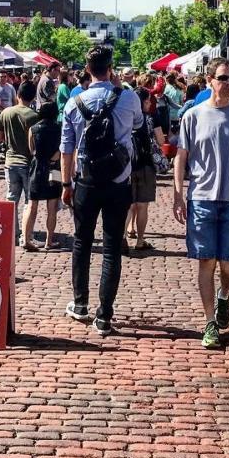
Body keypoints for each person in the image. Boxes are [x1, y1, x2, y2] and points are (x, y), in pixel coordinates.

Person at [172, 58, 229, 349]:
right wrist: (177, 193)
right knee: (206, 260)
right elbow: (181, 157)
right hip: (202, 197)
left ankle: (224, 296)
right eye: (224, 78)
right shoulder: (193, 116)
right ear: (210, 80)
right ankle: (210, 322)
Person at [61, 45, 142, 336]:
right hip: (118, 181)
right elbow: (138, 123)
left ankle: (80, 304)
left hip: (85, 181)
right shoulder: (128, 97)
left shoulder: (74, 102)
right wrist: (119, 88)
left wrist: (65, 184)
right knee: (111, 249)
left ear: (86, 69)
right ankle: (104, 315)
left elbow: (66, 149)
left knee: (82, 243)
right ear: (111, 69)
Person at [0, 81, 42, 248]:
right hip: (28, 163)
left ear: (18, 95)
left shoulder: (6, 112)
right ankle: (26, 235)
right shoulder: (34, 116)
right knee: (30, 201)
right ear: (33, 96)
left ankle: (12, 234)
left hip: (10, 161)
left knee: (11, 199)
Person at [127, 86, 166, 253]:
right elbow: (161, 140)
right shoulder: (151, 118)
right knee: (142, 205)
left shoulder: (126, 117)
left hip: (128, 165)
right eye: (148, 100)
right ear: (142, 101)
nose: (150, 103)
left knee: (128, 205)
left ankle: (123, 237)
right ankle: (140, 240)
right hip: (146, 164)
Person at [27, 101, 63, 250]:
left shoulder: (33, 129)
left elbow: (31, 150)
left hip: (37, 167)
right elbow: (61, 149)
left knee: (32, 204)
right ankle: (49, 241)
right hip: (53, 169)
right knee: (52, 207)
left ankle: (27, 238)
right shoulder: (59, 128)